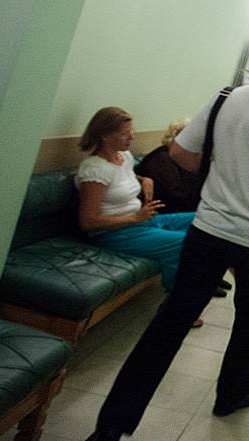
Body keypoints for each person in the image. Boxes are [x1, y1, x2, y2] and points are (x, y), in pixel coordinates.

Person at [82, 33, 249, 441]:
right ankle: (231, 395)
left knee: (170, 323)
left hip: (208, 230)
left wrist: (223, 173)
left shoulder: (227, 99)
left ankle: (109, 429)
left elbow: (179, 153)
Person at [74, 107, 205, 327]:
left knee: (204, 218)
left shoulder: (123, 156)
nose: (132, 136)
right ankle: (176, 307)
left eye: (131, 131)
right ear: (104, 136)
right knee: (186, 242)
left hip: (141, 221)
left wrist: (144, 179)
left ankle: (202, 278)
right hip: (113, 233)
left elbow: (120, 181)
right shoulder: (94, 169)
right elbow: (87, 222)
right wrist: (134, 218)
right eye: (125, 133)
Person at [136, 120, 231, 297]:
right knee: (206, 226)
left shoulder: (183, 159)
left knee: (217, 221)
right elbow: (176, 195)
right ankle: (200, 279)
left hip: (178, 208)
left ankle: (210, 275)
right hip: (164, 210)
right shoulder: (162, 158)